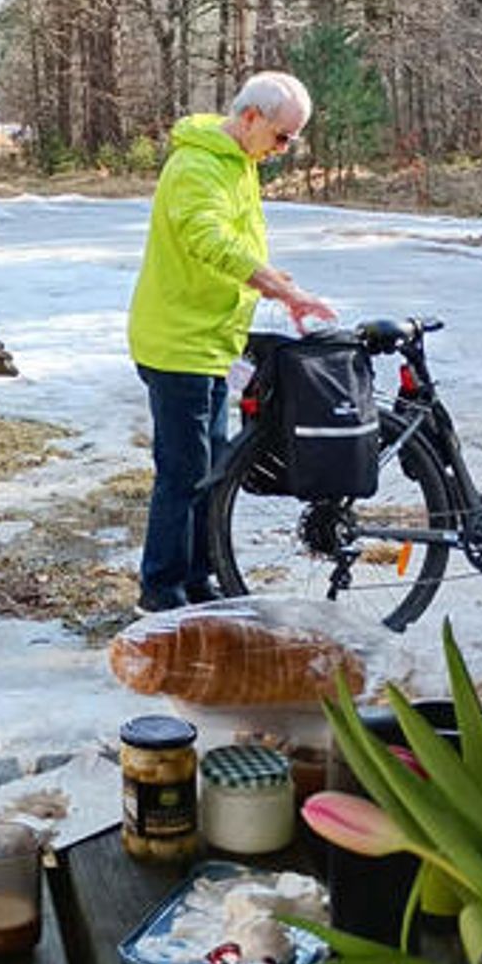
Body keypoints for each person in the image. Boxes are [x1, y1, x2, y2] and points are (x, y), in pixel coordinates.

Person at [128, 71, 337, 613]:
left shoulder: (236, 161)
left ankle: (200, 581)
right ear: (250, 117)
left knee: (212, 470)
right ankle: (161, 592)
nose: (283, 149)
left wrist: (273, 283)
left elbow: (237, 245)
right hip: (179, 343)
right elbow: (211, 241)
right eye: (282, 136)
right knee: (183, 473)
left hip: (214, 340)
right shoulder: (197, 167)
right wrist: (281, 289)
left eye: (292, 140)